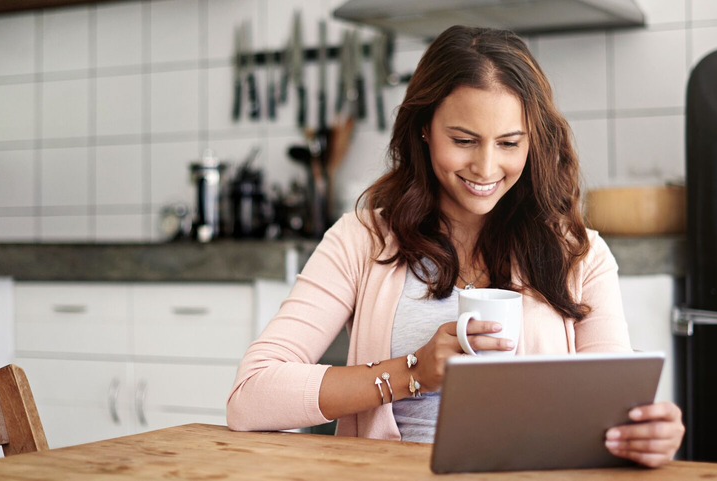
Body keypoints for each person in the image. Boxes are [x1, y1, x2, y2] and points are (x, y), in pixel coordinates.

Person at [227, 25, 684, 468]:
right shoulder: (360, 240)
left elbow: (608, 413)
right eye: (463, 140)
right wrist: (410, 373)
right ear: (424, 128)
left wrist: (645, 434)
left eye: (509, 143)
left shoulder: (581, 255)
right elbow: (251, 396)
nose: (486, 167)